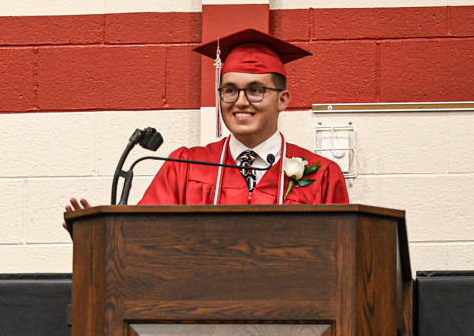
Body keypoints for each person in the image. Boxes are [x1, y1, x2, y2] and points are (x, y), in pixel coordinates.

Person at [65, 28, 348, 215]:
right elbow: (144, 242)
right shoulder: (185, 167)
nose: (240, 101)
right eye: (229, 90)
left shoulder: (322, 174)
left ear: (283, 100)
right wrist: (99, 240)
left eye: (256, 90)